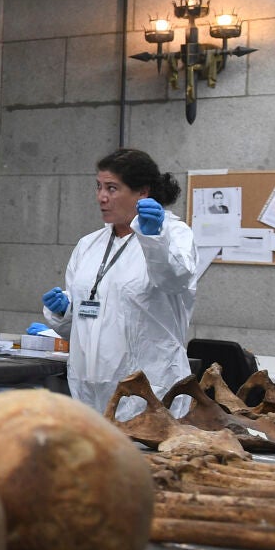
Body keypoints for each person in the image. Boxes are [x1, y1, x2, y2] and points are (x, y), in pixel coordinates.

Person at [41, 148, 197, 414]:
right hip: (90, 388)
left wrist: (154, 239)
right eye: (99, 187)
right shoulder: (88, 245)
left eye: (112, 188)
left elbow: (174, 281)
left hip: (151, 391)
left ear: (142, 192)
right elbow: (84, 324)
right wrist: (64, 312)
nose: (101, 197)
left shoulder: (174, 235)